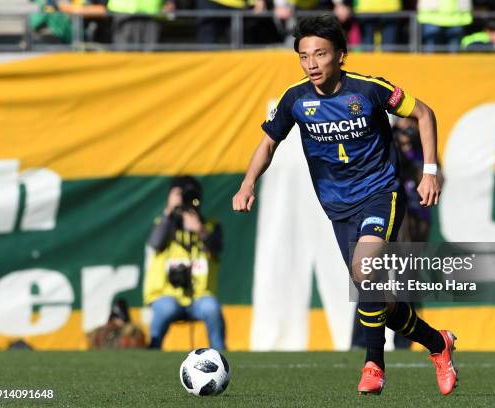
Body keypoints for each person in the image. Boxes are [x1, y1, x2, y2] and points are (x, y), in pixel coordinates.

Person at [232, 15, 457, 396]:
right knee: (377, 299)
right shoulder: (296, 99)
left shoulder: (369, 90)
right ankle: (438, 343)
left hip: (380, 193)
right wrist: (247, 182)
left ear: (341, 55)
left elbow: (424, 113)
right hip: (337, 207)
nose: (312, 64)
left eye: (320, 54)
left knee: (365, 268)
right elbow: (269, 142)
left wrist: (430, 171)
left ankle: (374, 365)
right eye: (304, 56)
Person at [144, 176, 226, 350]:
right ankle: (153, 349)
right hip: (167, 295)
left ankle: (220, 353)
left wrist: (200, 230)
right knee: (166, 308)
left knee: (212, 308)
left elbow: (217, 248)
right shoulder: (165, 225)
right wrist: (169, 211)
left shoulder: (210, 226)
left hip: (200, 297)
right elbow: (154, 243)